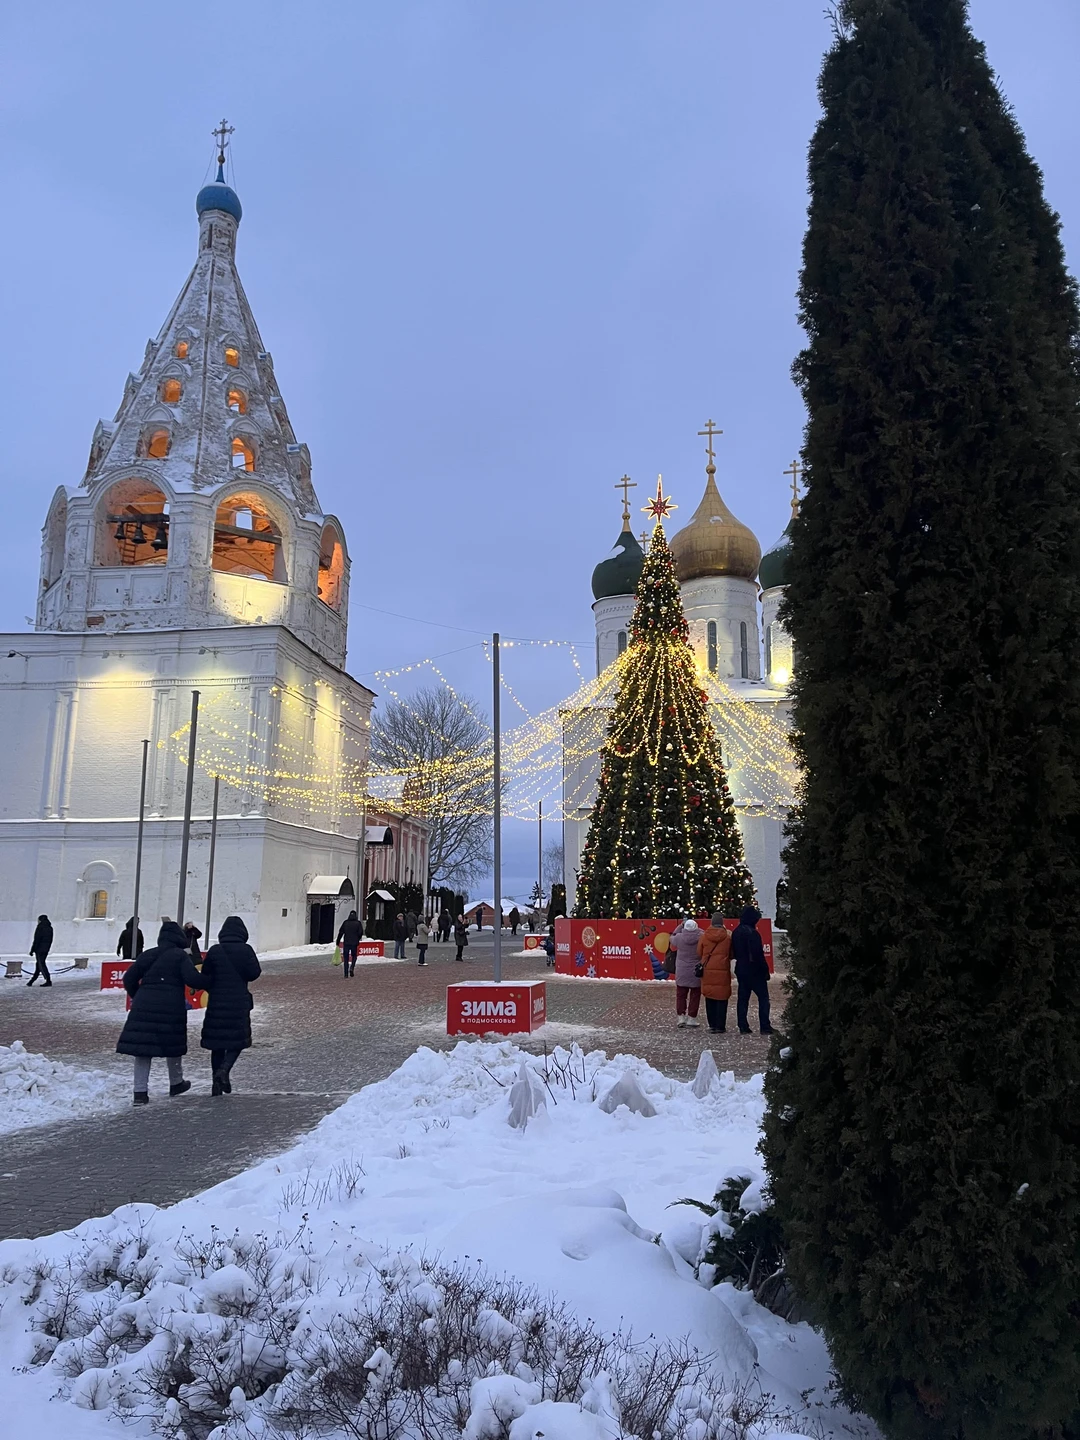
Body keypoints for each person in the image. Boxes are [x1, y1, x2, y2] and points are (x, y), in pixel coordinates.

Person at [116, 920, 203, 1104]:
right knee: (173, 1045)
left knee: (142, 1049)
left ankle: (139, 1092)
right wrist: (211, 980)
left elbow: (129, 978)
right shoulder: (180, 956)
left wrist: (138, 996)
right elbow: (192, 979)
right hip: (171, 1008)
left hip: (143, 1007)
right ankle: (176, 1082)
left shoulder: (148, 955)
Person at [200, 915, 261, 1095]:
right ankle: (224, 1070)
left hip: (217, 1002)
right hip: (238, 1002)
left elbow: (206, 975)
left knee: (217, 1044)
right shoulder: (246, 950)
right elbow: (254, 973)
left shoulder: (215, 951)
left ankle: (215, 1083)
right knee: (237, 1041)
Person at [732, 905, 773, 1035]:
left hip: (741, 968)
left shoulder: (736, 932)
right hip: (754, 970)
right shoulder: (753, 933)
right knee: (763, 998)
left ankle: (743, 1025)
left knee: (743, 998)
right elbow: (758, 955)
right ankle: (765, 1026)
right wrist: (765, 970)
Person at [698, 913, 733, 1032]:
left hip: (708, 970)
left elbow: (699, 952)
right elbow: (732, 954)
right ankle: (720, 1026)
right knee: (722, 998)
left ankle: (712, 1024)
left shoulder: (704, 936)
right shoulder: (727, 937)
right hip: (722, 971)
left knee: (710, 997)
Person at [671, 918, 703, 1027]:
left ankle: (681, 1017)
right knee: (695, 995)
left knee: (681, 995)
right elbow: (704, 933)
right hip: (695, 971)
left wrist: (680, 926)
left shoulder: (679, 938)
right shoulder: (701, 936)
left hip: (682, 971)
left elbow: (672, 936)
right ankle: (692, 1018)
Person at [27, 915, 53, 987]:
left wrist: (32, 950)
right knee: (39, 964)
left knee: (41, 964)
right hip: (46, 949)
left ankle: (48, 980)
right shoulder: (50, 928)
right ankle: (32, 981)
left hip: (39, 949)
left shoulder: (40, 927)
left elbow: (37, 939)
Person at [336, 909, 363, 978]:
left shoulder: (345, 923)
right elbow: (360, 933)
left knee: (346, 958)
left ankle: (345, 973)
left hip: (347, 942)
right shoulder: (358, 923)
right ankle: (352, 967)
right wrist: (357, 938)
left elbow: (341, 932)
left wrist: (338, 941)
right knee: (354, 956)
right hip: (354, 943)